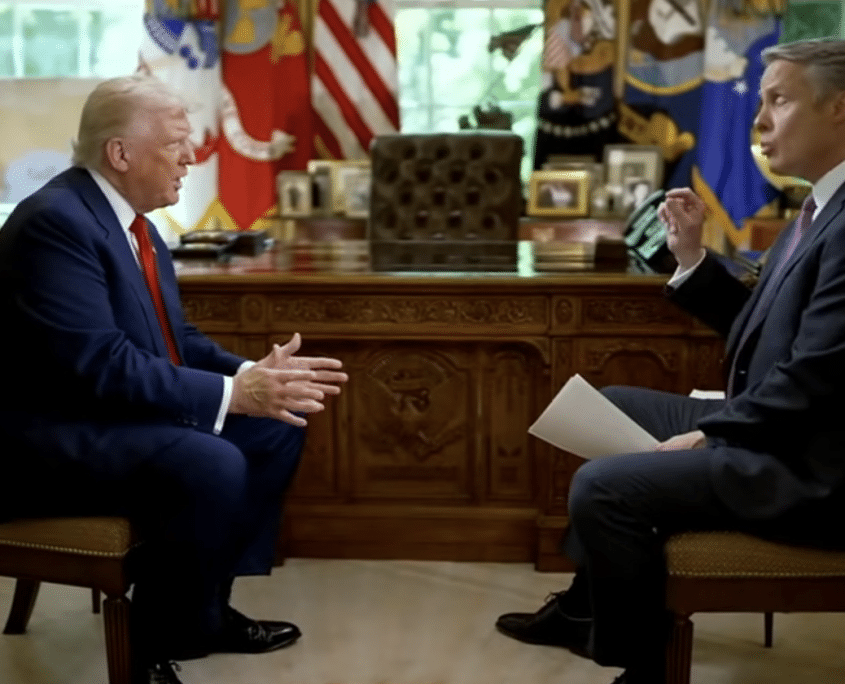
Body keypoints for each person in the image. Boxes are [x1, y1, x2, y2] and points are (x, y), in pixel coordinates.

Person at [495, 37, 845, 684]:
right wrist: (692, 260)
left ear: (838, 109)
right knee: (611, 408)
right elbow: (766, 332)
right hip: (783, 430)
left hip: (813, 467)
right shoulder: (820, 206)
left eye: (778, 101)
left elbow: (819, 377)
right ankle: (584, 607)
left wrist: (711, 433)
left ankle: (646, 668)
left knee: (602, 487)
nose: (759, 121)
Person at [0, 75, 348, 684]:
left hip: (108, 414)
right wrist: (234, 396)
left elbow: (173, 338)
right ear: (119, 153)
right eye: (174, 143)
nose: (192, 156)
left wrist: (251, 376)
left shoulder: (138, 223)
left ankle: (203, 612)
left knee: (276, 428)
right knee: (210, 462)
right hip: (46, 439)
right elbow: (101, 362)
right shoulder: (55, 223)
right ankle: (149, 650)